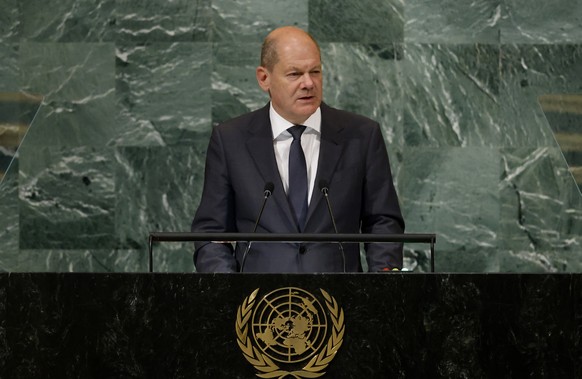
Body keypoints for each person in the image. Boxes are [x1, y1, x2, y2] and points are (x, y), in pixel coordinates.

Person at [191, 26, 404, 273]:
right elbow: (211, 232)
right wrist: (229, 291)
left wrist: (382, 286)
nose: (308, 83)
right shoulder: (230, 140)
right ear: (264, 78)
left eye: (315, 72)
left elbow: (383, 222)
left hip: (341, 304)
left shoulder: (361, 136)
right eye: (294, 74)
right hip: (259, 306)